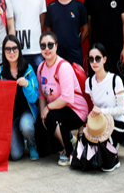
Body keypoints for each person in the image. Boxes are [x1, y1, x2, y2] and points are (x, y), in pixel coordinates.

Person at [72, 43, 124, 172]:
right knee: (86, 141)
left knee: (103, 149)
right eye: (91, 59)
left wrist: (102, 112)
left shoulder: (115, 80)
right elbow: (94, 106)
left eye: (97, 58)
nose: (94, 62)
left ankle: (113, 158)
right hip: (100, 123)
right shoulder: (89, 82)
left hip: (118, 123)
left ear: (104, 59)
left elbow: (121, 110)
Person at [36, 31, 88, 167]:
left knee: (52, 117)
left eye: (50, 45)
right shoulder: (41, 68)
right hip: (57, 109)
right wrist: (42, 114)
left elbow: (66, 98)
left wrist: (48, 108)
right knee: (42, 147)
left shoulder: (63, 67)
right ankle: (68, 138)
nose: (47, 49)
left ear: (56, 46)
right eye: (43, 46)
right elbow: (41, 95)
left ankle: (69, 151)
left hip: (76, 110)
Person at [0, 35, 40, 161]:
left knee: (26, 126)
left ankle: (31, 143)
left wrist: (27, 85)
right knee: (15, 155)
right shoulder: (1, 71)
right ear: (4, 51)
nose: (11, 52)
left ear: (19, 49)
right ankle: (20, 140)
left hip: (26, 112)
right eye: (8, 49)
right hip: (11, 116)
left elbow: (34, 97)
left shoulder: (28, 69)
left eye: (14, 48)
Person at [7, 0, 47, 74]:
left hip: (36, 49)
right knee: (19, 81)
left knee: (39, 80)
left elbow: (42, 19)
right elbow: (10, 24)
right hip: (18, 51)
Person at [44, 0, 88, 66]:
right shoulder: (51, 7)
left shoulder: (79, 6)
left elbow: (86, 29)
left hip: (75, 54)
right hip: (56, 55)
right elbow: (48, 30)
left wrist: (77, 43)